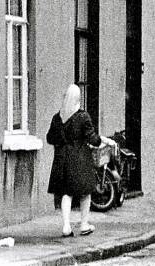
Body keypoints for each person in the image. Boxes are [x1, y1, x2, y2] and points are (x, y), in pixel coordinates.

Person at [46, 84, 101, 237]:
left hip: (61, 159)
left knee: (66, 192)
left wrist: (62, 141)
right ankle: (84, 224)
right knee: (85, 192)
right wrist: (99, 140)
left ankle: (66, 226)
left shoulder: (57, 118)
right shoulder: (83, 117)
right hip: (80, 158)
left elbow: (50, 138)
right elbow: (92, 138)